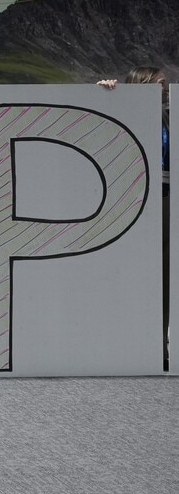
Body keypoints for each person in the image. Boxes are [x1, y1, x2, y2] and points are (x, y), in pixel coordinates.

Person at [99, 66, 170, 367]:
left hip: (165, 199)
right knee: (126, 272)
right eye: (159, 85)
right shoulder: (122, 111)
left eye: (166, 86)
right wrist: (104, 93)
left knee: (164, 275)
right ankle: (122, 343)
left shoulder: (169, 117)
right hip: (128, 200)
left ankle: (160, 347)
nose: (166, 90)